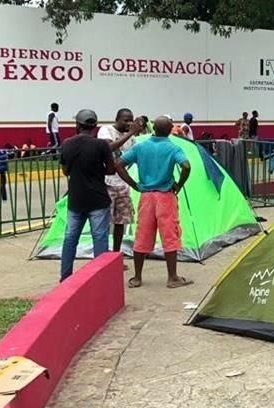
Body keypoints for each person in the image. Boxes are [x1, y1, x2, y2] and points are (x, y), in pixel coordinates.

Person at [116, 116, 193, 289]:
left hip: (146, 196)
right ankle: (172, 277)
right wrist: (178, 185)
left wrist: (135, 185)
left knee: (142, 234)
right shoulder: (173, 148)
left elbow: (119, 164)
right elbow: (186, 166)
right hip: (165, 196)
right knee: (169, 235)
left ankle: (137, 277)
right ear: (168, 130)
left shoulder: (141, 147)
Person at [58, 109, 115, 282]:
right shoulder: (101, 145)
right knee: (99, 238)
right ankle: (100, 279)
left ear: (78, 125)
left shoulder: (67, 143)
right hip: (98, 199)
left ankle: (65, 277)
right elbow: (111, 169)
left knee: (70, 238)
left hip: (76, 200)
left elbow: (65, 170)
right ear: (94, 126)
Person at [97, 109, 144, 259]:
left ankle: (116, 255)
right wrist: (130, 133)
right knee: (103, 223)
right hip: (106, 184)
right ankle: (102, 256)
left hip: (123, 185)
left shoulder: (132, 140)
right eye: (125, 120)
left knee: (120, 222)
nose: (128, 123)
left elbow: (132, 159)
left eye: (131, 120)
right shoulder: (106, 130)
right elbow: (109, 147)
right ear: (117, 119)